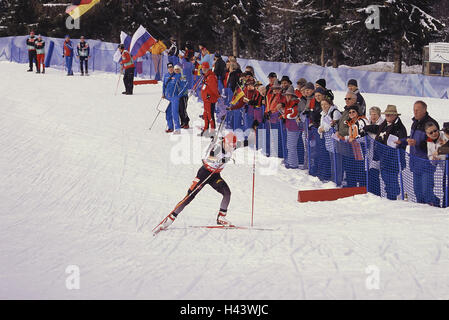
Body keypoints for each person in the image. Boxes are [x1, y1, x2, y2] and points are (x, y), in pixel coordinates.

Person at [155, 125, 258, 233]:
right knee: (190, 196)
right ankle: (170, 219)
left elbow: (248, 142)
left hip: (215, 175)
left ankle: (221, 218)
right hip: (205, 173)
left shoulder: (232, 145)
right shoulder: (217, 147)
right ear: (225, 142)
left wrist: (253, 130)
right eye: (230, 145)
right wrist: (221, 160)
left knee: (227, 193)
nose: (231, 147)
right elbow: (211, 156)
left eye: (233, 146)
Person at [396, 101, 440, 205]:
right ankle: (422, 215)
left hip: (427, 163)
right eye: (414, 110)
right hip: (415, 163)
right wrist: (402, 141)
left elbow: (435, 144)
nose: (415, 112)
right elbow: (411, 139)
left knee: (426, 192)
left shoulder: (431, 124)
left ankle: (436, 207)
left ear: (424, 110)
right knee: (418, 193)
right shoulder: (415, 123)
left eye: (417, 110)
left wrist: (418, 144)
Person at [280, 86, 300, 169]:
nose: (287, 97)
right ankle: (290, 161)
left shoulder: (295, 103)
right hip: (289, 126)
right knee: (289, 145)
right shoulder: (288, 103)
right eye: (286, 95)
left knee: (292, 146)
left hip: (294, 127)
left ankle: (293, 164)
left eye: (289, 95)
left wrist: (286, 115)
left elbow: (294, 114)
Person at [200, 61, 220, 137]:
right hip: (206, 99)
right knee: (205, 114)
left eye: (205, 68)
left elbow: (214, 89)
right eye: (203, 68)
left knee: (210, 115)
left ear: (208, 68)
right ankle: (206, 129)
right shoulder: (206, 76)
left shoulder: (210, 77)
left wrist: (218, 96)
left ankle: (212, 131)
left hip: (210, 99)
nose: (203, 70)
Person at [162, 62, 183, 134]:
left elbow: (182, 86)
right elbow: (163, 85)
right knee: (168, 112)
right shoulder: (165, 76)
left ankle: (177, 128)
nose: (170, 69)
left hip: (174, 97)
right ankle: (170, 127)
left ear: (173, 68)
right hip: (167, 97)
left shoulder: (177, 76)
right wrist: (163, 94)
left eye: (171, 67)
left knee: (174, 112)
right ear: (167, 68)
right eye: (169, 67)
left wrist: (179, 95)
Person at [174, 65, 190, 129]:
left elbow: (184, 86)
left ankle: (186, 121)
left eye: (178, 69)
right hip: (177, 96)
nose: (177, 70)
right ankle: (183, 122)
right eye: (175, 69)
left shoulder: (182, 76)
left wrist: (179, 94)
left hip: (183, 96)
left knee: (183, 109)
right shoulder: (174, 77)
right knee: (179, 110)